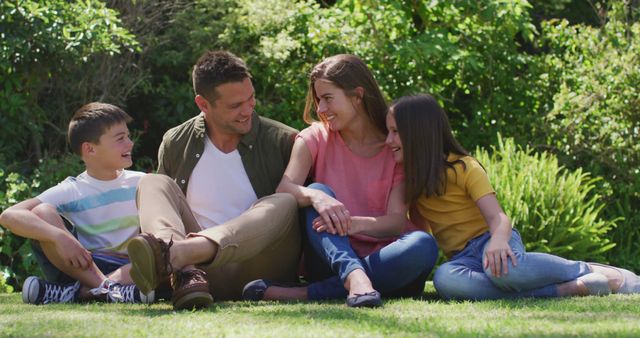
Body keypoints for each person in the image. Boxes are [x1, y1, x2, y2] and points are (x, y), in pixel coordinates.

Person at [385, 93, 640, 300]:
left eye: (395, 132)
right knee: (444, 279)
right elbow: (421, 231)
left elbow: (498, 217)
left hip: (492, 241)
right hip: (463, 261)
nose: (388, 140)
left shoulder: (465, 167)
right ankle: (565, 290)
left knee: (505, 272)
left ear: (417, 133)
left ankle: (593, 271)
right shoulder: (411, 183)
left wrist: (497, 242)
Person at [242, 55, 438, 308]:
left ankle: (306, 293)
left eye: (327, 98)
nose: (321, 109)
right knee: (316, 190)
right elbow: (285, 189)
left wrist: (351, 224)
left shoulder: (394, 146)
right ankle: (353, 275)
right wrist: (317, 197)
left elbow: (395, 223)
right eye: (318, 100)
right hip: (330, 259)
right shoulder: (314, 138)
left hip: (386, 261)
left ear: (357, 95)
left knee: (423, 244)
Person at [127, 50, 301, 310]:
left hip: (262, 268)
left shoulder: (283, 139)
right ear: (203, 104)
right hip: (201, 276)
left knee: (285, 201)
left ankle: (170, 255)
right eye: (235, 106)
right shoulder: (176, 142)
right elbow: (162, 209)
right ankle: (179, 265)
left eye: (251, 99)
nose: (248, 110)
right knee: (152, 183)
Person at [0, 102, 153, 305]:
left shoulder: (141, 181)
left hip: (129, 267)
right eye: (120, 139)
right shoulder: (73, 189)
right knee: (42, 211)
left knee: (157, 252)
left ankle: (80, 293)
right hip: (84, 266)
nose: (130, 143)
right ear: (90, 149)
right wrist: (60, 237)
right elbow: (9, 215)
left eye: (128, 136)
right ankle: (112, 291)